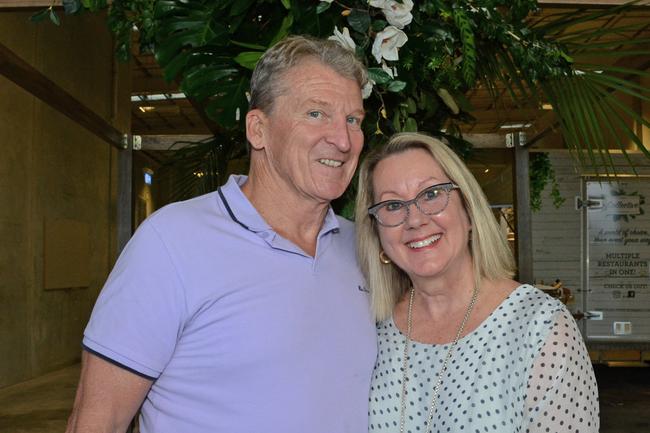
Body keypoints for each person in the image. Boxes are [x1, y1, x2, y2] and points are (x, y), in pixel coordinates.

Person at [65, 35, 377, 433]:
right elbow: (98, 419)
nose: (344, 139)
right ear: (258, 129)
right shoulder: (172, 242)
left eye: (353, 119)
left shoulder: (361, 248)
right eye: (316, 114)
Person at [355, 132, 599, 433]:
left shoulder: (539, 327)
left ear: (468, 211)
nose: (415, 220)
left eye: (431, 194)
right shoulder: (373, 331)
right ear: (378, 233)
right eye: (392, 206)